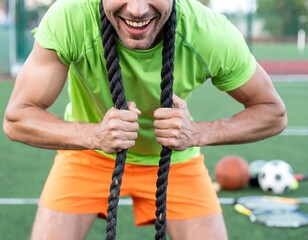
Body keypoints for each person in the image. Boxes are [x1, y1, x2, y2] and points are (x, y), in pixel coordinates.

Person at [3, 0, 287, 239]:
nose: (137, 10)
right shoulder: (70, 17)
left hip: (175, 162)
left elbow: (272, 112)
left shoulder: (209, 32)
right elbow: (17, 117)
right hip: (87, 155)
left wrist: (197, 133)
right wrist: (94, 136)